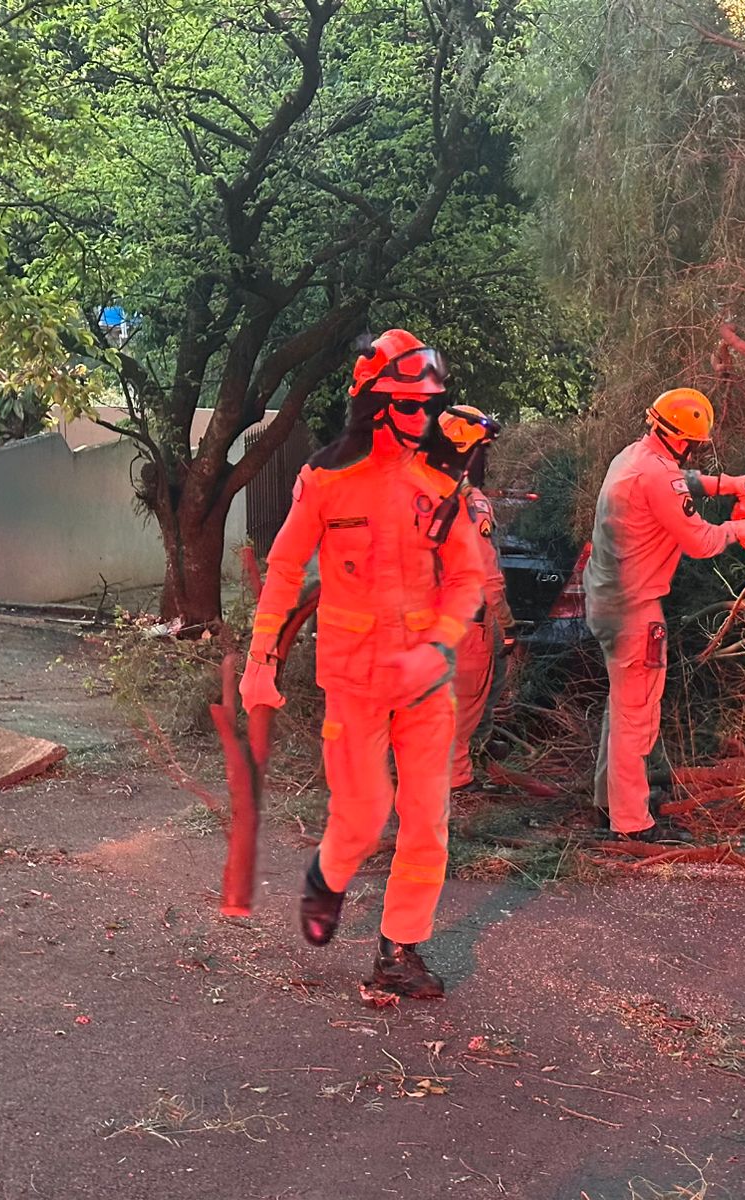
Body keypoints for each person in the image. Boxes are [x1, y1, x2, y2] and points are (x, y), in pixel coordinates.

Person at [239, 329, 485, 999]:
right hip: (354, 678)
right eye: (408, 405)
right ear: (373, 403)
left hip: (425, 680)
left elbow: (468, 579)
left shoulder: (441, 482)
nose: (423, 419)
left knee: (427, 817)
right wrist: (263, 655)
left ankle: (399, 951)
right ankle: (327, 877)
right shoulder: (326, 479)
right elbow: (287, 566)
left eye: (429, 406)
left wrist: (438, 645)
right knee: (364, 815)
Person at [582, 387, 745, 840]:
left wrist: (726, 484)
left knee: (621, 707)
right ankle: (632, 822)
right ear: (684, 440)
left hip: (607, 599)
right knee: (636, 716)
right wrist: (741, 528)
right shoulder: (659, 477)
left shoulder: (633, 456)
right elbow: (699, 542)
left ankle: (609, 805)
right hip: (634, 608)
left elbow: (679, 481)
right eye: (695, 444)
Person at [449, 440, 514, 790]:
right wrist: (507, 624)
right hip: (470, 621)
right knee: (473, 697)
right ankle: (459, 775)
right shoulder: (472, 504)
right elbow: (488, 573)